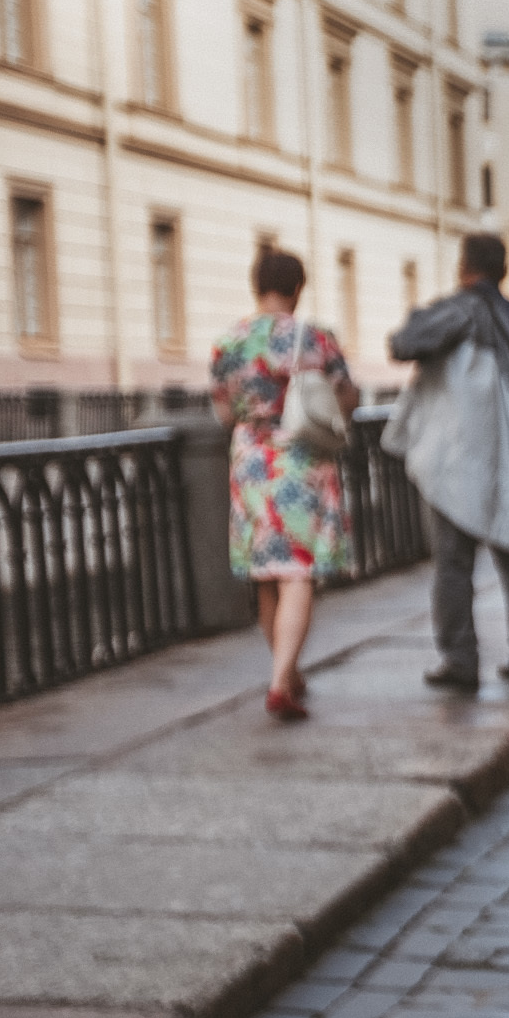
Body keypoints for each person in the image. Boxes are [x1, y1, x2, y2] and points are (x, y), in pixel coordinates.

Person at [384, 233, 509, 692]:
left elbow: (402, 345)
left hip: (453, 458)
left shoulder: (453, 312)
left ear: (464, 267)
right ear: (503, 270)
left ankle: (460, 659)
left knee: (452, 564)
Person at [210, 248, 362, 721]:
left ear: (257, 286)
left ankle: (288, 674)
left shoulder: (229, 342)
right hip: (301, 460)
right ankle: (281, 683)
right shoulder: (313, 337)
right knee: (298, 571)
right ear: (297, 288)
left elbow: (221, 412)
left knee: (267, 576)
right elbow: (346, 396)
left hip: (251, 463)